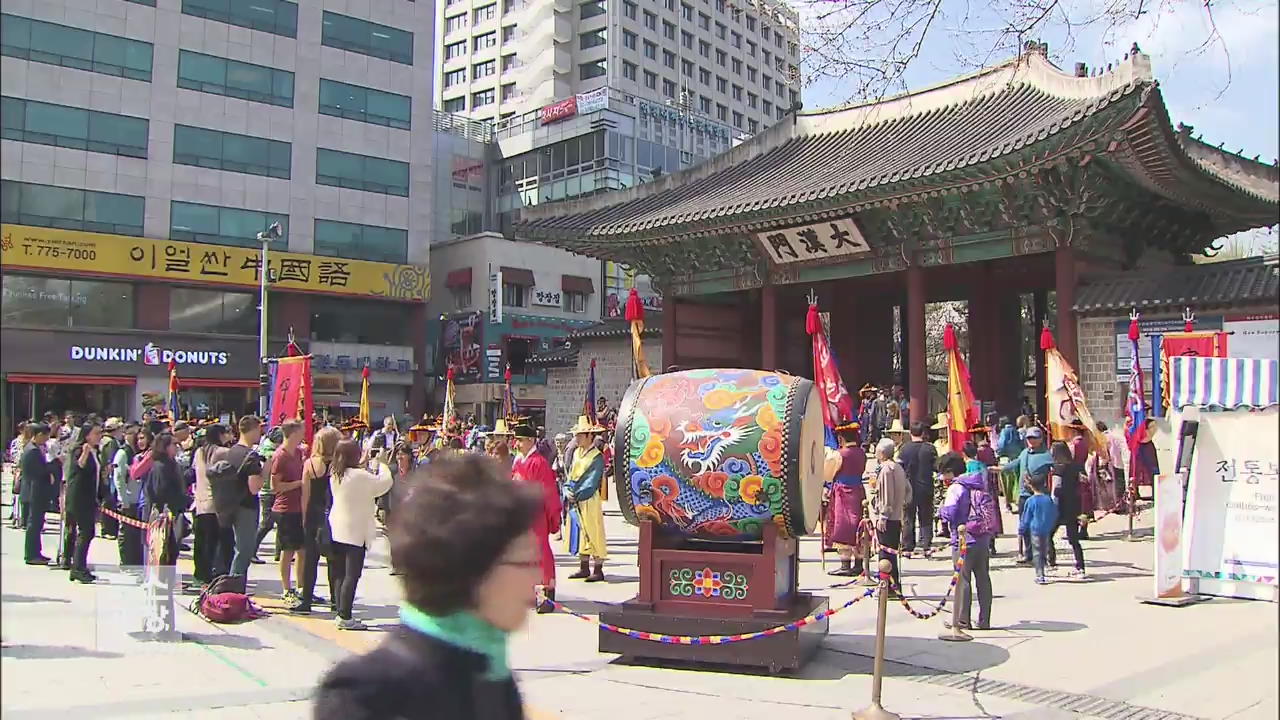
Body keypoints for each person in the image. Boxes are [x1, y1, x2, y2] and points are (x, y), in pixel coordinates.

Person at [313, 454, 542, 720]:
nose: (535, 578)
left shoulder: (491, 673)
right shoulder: (367, 696)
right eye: (524, 563)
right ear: (476, 570)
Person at [327, 439, 393, 630]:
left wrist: (366, 464)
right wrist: (382, 464)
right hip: (355, 531)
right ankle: (346, 615)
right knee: (352, 575)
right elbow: (384, 483)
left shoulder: (336, 473)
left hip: (337, 527)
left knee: (339, 573)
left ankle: (340, 611)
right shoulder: (359, 476)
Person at [937, 452, 998, 630]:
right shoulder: (978, 482)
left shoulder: (956, 488)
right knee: (983, 578)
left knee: (963, 580)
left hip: (963, 539)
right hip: (983, 537)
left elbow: (950, 513)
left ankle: (962, 620)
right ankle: (985, 620)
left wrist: (941, 510)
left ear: (950, 471)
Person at [510, 423, 562, 612]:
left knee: (541, 554)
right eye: (517, 440)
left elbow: (547, 492)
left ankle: (547, 595)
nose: (517, 444)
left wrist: (553, 516)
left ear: (531, 441)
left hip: (535, 515)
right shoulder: (518, 461)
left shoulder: (539, 463)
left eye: (521, 440)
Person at [210, 416, 266, 578]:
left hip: (229, 504)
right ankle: (235, 586)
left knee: (235, 548)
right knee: (245, 550)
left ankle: (230, 583)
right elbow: (254, 488)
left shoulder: (230, 451)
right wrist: (265, 471)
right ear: (253, 429)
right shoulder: (251, 456)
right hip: (246, 506)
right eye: (258, 430)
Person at [294, 426, 341, 614]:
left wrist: (304, 519)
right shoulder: (340, 465)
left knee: (310, 561)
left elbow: (305, 496)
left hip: (313, 514)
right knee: (334, 560)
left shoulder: (310, 464)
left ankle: (306, 600)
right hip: (334, 515)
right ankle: (335, 601)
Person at [564, 416, 608, 582]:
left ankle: (598, 568)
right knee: (580, 531)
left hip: (588, 498)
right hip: (576, 497)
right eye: (577, 435)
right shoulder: (576, 453)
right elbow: (571, 474)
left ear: (590, 436)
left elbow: (593, 479)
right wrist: (567, 489)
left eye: (580, 435)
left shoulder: (597, 456)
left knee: (593, 530)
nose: (577, 438)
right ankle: (583, 566)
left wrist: (578, 494)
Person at [1002, 426, 1053, 565]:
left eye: (1034, 438)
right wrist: (1000, 469)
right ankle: (1028, 553)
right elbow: (1015, 464)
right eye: (1029, 438)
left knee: (1041, 527)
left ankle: (1047, 556)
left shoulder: (1046, 456)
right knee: (1024, 527)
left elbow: (1053, 472)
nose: (1031, 440)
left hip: (1039, 495)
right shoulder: (1024, 453)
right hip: (1024, 495)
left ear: (1041, 439)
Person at [270, 421, 307, 604]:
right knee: (288, 550)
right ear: (292, 433)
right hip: (284, 508)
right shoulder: (280, 456)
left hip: (300, 507)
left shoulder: (299, 453)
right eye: (301, 431)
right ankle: (286, 588)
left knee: (302, 550)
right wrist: (298, 484)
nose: (304, 434)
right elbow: (275, 486)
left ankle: (302, 587)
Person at [193, 424, 235, 584]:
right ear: (220, 435)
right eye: (227, 433)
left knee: (202, 541)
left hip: (200, 501)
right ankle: (214, 574)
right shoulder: (221, 452)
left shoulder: (199, 452)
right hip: (216, 503)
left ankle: (200, 574)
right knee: (216, 542)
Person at [63, 420, 104, 582]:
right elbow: (79, 467)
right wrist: (85, 453)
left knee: (87, 533)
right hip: (79, 499)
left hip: (90, 497)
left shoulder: (96, 451)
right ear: (87, 435)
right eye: (96, 433)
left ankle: (79, 566)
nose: (99, 436)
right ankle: (78, 568)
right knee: (86, 532)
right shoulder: (79, 450)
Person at [825, 422, 868, 577]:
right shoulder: (862, 453)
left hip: (843, 491)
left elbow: (828, 474)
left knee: (843, 524)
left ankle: (845, 564)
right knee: (858, 524)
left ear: (841, 437)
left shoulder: (839, 454)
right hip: (858, 490)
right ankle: (859, 562)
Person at [144, 433, 191, 567]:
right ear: (164, 447)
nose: (177, 447)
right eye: (173, 445)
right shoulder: (160, 466)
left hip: (174, 513)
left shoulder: (172, 464)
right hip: (164, 517)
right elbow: (161, 492)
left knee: (172, 553)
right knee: (164, 553)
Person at [870, 438, 910, 595]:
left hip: (889, 518)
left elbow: (887, 494)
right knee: (891, 553)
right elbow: (908, 491)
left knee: (885, 554)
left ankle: (887, 587)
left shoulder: (886, 470)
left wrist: (883, 515)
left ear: (882, 453)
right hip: (897, 515)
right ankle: (893, 585)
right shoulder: (898, 467)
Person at [897, 421, 937, 558]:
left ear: (910, 433)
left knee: (908, 517)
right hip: (926, 486)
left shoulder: (904, 449)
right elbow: (936, 467)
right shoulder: (930, 448)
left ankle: (907, 547)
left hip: (909, 487)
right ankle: (926, 545)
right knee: (926, 516)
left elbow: (900, 469)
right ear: (923, 433)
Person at [1050, 441, 1087, 579]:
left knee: (1049, 535)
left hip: (1061, 507)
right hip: (1074, 507)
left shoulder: (1058, 470)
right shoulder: (1077, 467)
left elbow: (1057, 490)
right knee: (1073, 539)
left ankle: (1051, 562)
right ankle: (1080, 567)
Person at [114, 427, 149, 569]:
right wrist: (123, 499)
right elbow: (118, 477)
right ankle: (126, 562)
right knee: (126, 533)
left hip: (137, 499)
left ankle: (134, 561)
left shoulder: (138, 454)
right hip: (127, 499)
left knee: (134, 535)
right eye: (133, 435)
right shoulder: (123, 453)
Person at [20, 423, 55, 565]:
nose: (47, 439)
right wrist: (50, 470)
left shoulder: (34, 449)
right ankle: (31, 554)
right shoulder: (32, 451)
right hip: (34, 492)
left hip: (35, 491)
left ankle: (37, 552)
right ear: (39, 435)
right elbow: (37, 472)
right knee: (33, 524)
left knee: (37, 523)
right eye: (45, 436)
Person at [252, 426, 285, 565]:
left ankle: (280, 552)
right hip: (268, 491)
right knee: (267, 524)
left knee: (281, 523)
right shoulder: (270, 452)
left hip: (273, 490)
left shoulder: (266, 446)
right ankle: (251, 551)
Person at [1019, 472, 1058, 585]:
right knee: (1044, 549)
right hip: (1047, 529)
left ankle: (1040, 574)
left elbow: (1026, 517)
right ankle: (1044, 565)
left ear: (1031, 486)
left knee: (1037, 552)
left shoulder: (1030, 501)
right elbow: (1054, 513)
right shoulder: (1048, 499)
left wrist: (1022, 529)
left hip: (1035, 529)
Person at [98, 418, 124, 540]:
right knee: (109, 502)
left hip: (103, 475)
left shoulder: (103, 440)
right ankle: (107, 529)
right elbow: (110, 461)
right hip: (108, 476)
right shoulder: (111, 442)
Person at [996, 416, 1024, 512]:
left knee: (1006, 482)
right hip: (1016, 458)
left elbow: (1001, 445)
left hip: (1005, 458)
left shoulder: (1004, 431)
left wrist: (998, 453)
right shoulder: (1016, 431)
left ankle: (1008, 503)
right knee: (1016, 480)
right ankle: (1016, 500)